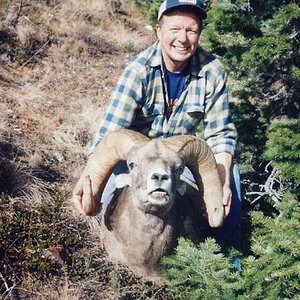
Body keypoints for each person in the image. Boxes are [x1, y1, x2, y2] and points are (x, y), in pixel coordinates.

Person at [73, 0, 242, 251]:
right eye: (175, 29)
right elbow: (111, 132)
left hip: (177, 157)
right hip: (139, 157)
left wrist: (223, 180)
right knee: (102, 205)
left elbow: (220, 134)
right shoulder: (138, 71)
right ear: (159, 30)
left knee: (230, 196)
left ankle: (229, 256)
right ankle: (108, 254)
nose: (182, 39)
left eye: (191, 30)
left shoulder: (212, 71)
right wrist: (90, 179)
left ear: (199, 34)